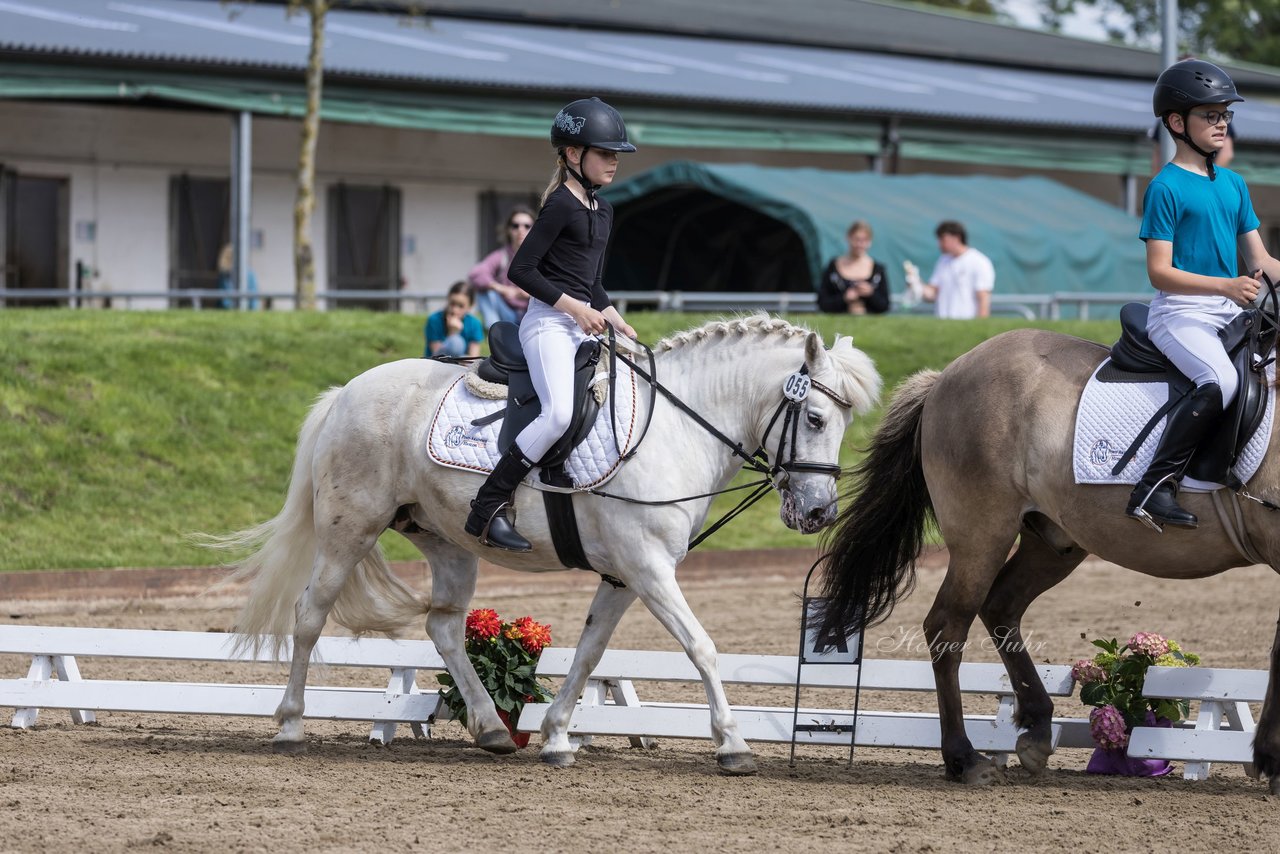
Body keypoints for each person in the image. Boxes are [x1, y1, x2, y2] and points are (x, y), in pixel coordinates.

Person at [463, 97, 638, 551]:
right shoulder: (560, 204)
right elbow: (520, 271)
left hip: (582, 325)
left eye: (617, 153)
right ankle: (488, 506)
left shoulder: (605, 211)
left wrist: (620, 323)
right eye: (605, 152)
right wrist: (573, 309)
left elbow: (593, 284)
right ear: (574, 154)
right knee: (558, 412)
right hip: (546, 325)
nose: (614, 161)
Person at [1126, 59, 1280, 529]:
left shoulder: (1233, 184)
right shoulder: (1165, 187)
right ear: (1177, 122)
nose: (1222, 124)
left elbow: (1262, 261)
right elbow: (1159, 272)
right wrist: (1227, 286)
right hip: (1180, 313)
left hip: (1227, 310)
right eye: (1211, 115)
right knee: (1222, 381)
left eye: (1226, 115)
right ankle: (1155, 486)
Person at [903, 221, 994, 319]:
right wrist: (916, 284)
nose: (939, 244)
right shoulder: (943, 261)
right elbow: (932, 294)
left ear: (957, 238)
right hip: (942, 324)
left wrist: (980, 325)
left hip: (967, 324)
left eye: (943, 239)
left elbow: (983, 298)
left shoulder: (979, 261)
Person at [468, 207, 534, 328]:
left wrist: (530, 293)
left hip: (533, 314)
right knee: (484, 292)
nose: (521, 230)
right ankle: (495, 333)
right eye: (515, 225)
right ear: (509, 229)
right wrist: (502, 289)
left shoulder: (542, 257)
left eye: (527, 226)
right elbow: (476, 273)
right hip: (507, 314)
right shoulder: (501, 256)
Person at [816, 220, 891, 315]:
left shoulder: (878, 270)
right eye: (856, 239)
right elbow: (822, 303)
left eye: (864, 240)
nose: (859, 244)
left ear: (870, 242)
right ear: (848, 238)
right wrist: (844, 298)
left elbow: (885, 306)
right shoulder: (833, 268)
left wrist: (871, 294)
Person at [424, 281, 484, 358]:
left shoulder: (475, 324)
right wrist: (452, 332)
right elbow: (437, 354)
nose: (454, 310)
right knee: (456, 342)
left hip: (462, 363)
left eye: (461, 306)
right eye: (452, 303)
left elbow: (474, 357)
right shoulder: (434, 320)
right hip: (436, 362)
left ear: (470, 306)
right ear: (448, 299)